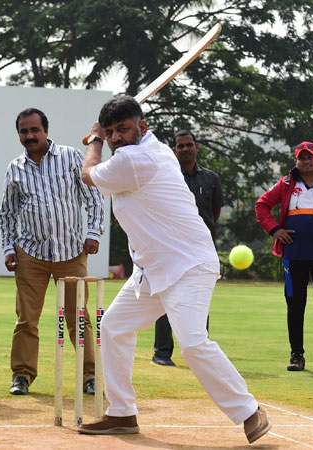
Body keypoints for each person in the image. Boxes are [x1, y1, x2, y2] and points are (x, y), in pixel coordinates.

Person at [78, 95, 271, 444]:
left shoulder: (136, 159)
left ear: (143, 127)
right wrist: (104, 137)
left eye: (123, 129)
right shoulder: (156, 150)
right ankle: (122, 413)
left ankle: (250, 411)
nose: (117, 138)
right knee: (115, 326)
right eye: (110, 132)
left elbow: (87, 174)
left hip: (188, 265)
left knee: (193, 343)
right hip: (153, 269)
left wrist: (93, 140)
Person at [0, 108, 105, 396]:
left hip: (71, 253)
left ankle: (89, 376)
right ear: (19, 134)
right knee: (26, 320)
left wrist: (93, 233)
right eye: (24, 131)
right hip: (30, 255)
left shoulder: (71, 157)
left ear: (46, 130)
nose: (30, 135)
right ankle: (22, 375)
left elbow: (93, 198)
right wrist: (9, 247)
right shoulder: (15, 167)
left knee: (79, 318)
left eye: (35, 130)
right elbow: (8, 213)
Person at [151, 130, 224, 367]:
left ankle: (200, 351)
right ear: (174, 150)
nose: (185, 149)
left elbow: (214, 212)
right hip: (171, 247)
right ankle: (162, 353)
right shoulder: (168, 175)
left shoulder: (211, 178)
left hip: (201, 249)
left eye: (188, 145)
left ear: (196, 147)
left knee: (199, 299)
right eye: (180, 146)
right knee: (166, 296)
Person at [255, 141, 313, 371]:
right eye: (301, 158)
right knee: (295, 306)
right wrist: (275, 230)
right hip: (293, 256)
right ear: (295, 161)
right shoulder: (286, 184)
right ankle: (297, 356)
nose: (306, 161)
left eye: (310, 157)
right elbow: (262, 206)